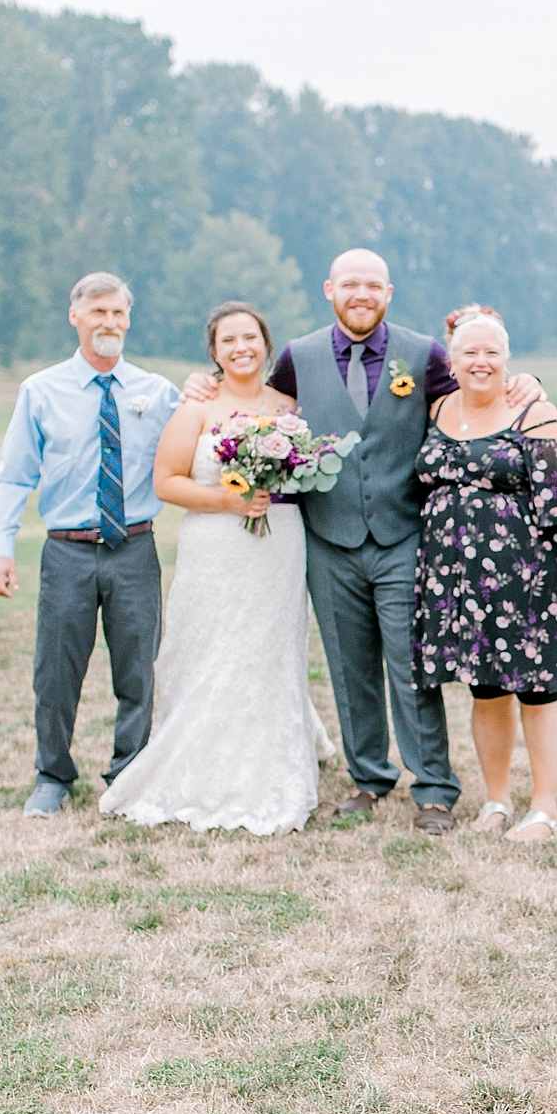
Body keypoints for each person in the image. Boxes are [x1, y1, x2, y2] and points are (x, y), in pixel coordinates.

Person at [182, 249, 542, 834]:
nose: (361, 294)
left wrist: (525, 380)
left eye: (372, 285)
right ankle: (370, 778)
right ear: (330, 289)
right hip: (328, 536)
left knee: (410, 666)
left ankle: (432, 787)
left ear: (388, 292)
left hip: (404, 535)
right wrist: (204, 384)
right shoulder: (297, 358)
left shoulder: (424, 354)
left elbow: (480, 393)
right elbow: (258, 408)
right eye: (350, 284)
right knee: (350, 669)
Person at [99, 303, 334, 835]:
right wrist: (228, 502)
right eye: (228, 340)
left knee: (268, 650)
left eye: (249, 337)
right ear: (213, 351)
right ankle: (198, 762)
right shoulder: (196, 407)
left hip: (277, 547)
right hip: (214, 545)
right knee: (210, 647)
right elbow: (166, 482)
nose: (240, 348)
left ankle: (273, 760)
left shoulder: (289, 406)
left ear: (266, 343)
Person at [0, 274, 181, 816]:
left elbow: (193, 451)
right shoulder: (40, 391)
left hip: (135, 549)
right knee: (56, 669)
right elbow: (14, 476)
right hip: (68, 550)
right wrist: (1, 547)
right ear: (75, 316)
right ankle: (52, 775)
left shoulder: (156, 392)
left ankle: (129, 771)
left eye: (118, 313)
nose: (109, 323)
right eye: (98, 312)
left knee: (138, 667)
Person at [411, 306, 557, 842]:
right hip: (457, 581)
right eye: (470, 351)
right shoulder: (437, 407)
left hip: (526, 575)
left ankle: (544, 806)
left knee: (538, 690)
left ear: (508, 360)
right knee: (485, 689)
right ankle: (496, 799)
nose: (481, 361)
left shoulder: (531, 409)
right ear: (450, 359)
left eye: (492, 352)